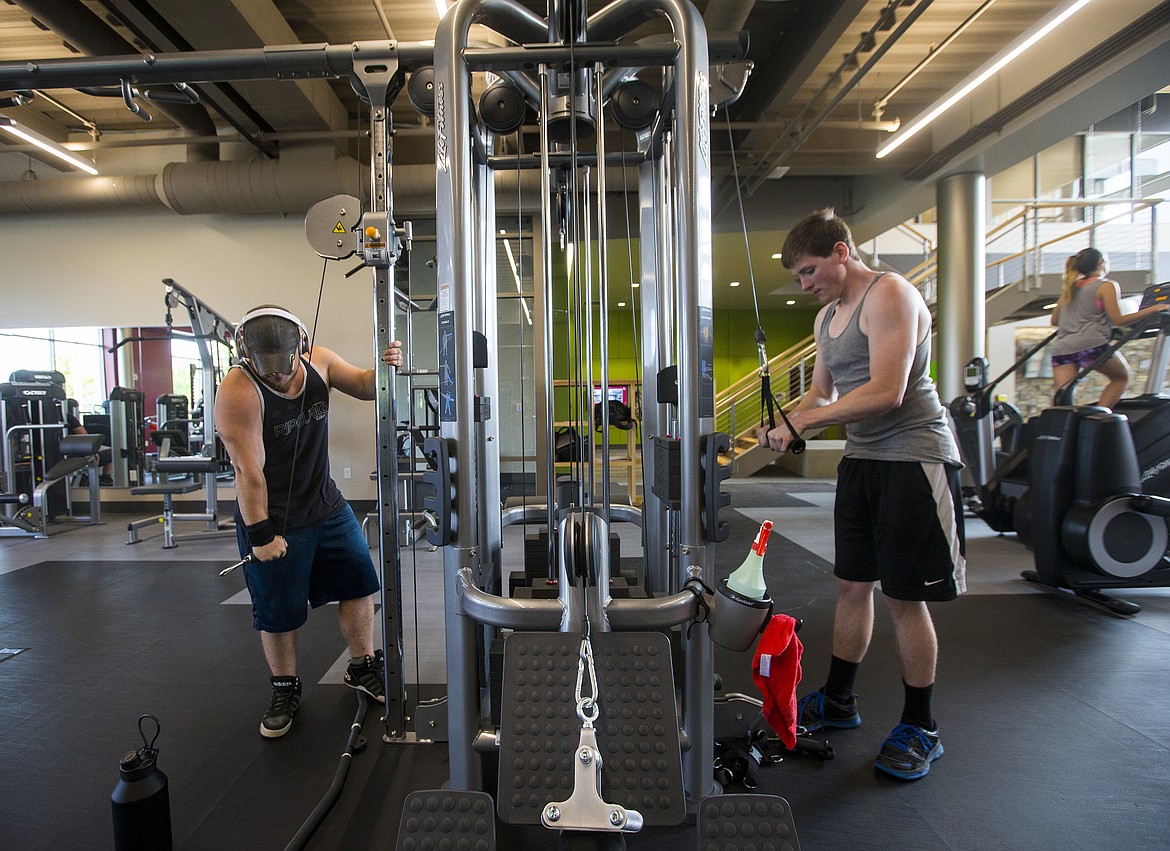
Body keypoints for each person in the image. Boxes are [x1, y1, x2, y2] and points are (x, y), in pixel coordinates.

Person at [757, 209, 965, 781]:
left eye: (810, 269)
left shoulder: (890, 294)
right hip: (864, 460)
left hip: (914, 457)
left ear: (842, 251)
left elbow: (887, 391)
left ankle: (921, 726)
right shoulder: (828, 318)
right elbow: (821, 391)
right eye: (799, 275)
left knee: (903, 597)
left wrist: (808, 421)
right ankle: (842, 700)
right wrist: (782, 425)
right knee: (852, 586)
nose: (805, 284)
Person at [214, 304, 404, 739]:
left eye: (283, 366)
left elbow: (367, 386)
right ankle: (285, 688)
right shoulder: (238, 391)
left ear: (299, 346)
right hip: (271, 516)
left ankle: (362, 666)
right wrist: (261, 535)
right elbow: (249, 472)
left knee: (359, 583)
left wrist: (385, 366)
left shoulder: (319, 359)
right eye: (268, 369)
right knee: (280, 613)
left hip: (327, 505)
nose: (278, 376)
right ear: (245, 353)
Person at [1049, 247, 1169, 409]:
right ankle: (1100, 418)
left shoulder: (1071, 287)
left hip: (1063, 348)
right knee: (1121, 377)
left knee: (1061, 396)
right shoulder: (1106, 286)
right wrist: (1154, 309)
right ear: (1100, 262)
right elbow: (1119, 320)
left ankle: (1052, 430)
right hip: (1090, 345)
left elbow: (1055, 320)